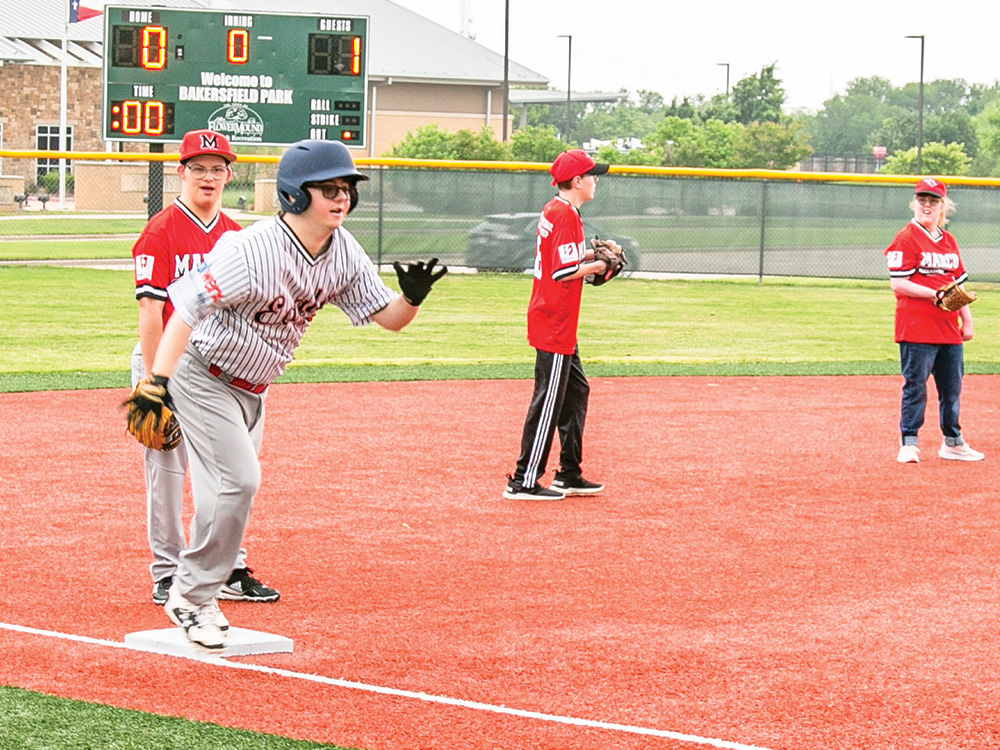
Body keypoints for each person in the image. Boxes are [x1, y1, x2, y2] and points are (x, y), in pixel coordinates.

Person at [141, 139, 446, 652]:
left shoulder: (344, 251)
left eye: (346, 188)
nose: (341, 197)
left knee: (226, 496)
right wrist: (157, 383)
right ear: (293, 194)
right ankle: (189, 596)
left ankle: (202, 594)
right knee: (240, 481)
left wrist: (411, 297)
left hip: (252, 389)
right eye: (328, 188)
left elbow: (388, 320)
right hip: (202, 374)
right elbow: (184, 309)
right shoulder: (250, 250)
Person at [130, 129, 279, 606]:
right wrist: (157, 381)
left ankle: (225, 567)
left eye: (218, 168)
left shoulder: (238, 236)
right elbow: (151, 312)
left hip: (223, 369)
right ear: (181, 172)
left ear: (229, 175)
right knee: (168, 472)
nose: (209, 177)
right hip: (168, 363)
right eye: (199, 168)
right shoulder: (161, 230)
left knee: (232, 473)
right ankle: (167, 570)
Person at [503, 148, 619, 501]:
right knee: (549, 399)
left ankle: (569, 473)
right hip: (553, 320)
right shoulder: (565, 214)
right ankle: (523, 479)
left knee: (576, 391)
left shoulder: (558, 209)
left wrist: (592, 253)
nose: (596, 180)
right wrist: (599, 266)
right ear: (577, 181)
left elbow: (563, 257)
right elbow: (562, 271)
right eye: (591, 174)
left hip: (559, 320)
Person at [884, 177, 983, 464]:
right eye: (922, 200)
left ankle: (952, 442)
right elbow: (898, 284)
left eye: (933, 200)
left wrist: (967, 319)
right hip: (916, 328)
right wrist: (934, 294)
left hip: (948, 329)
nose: (927, 205)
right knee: (915, 385)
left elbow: (958, 285)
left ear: (943, 206)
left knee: (952, 389)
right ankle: (909, 443)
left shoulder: (949, 240)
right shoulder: (906, 237)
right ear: (915, 203)